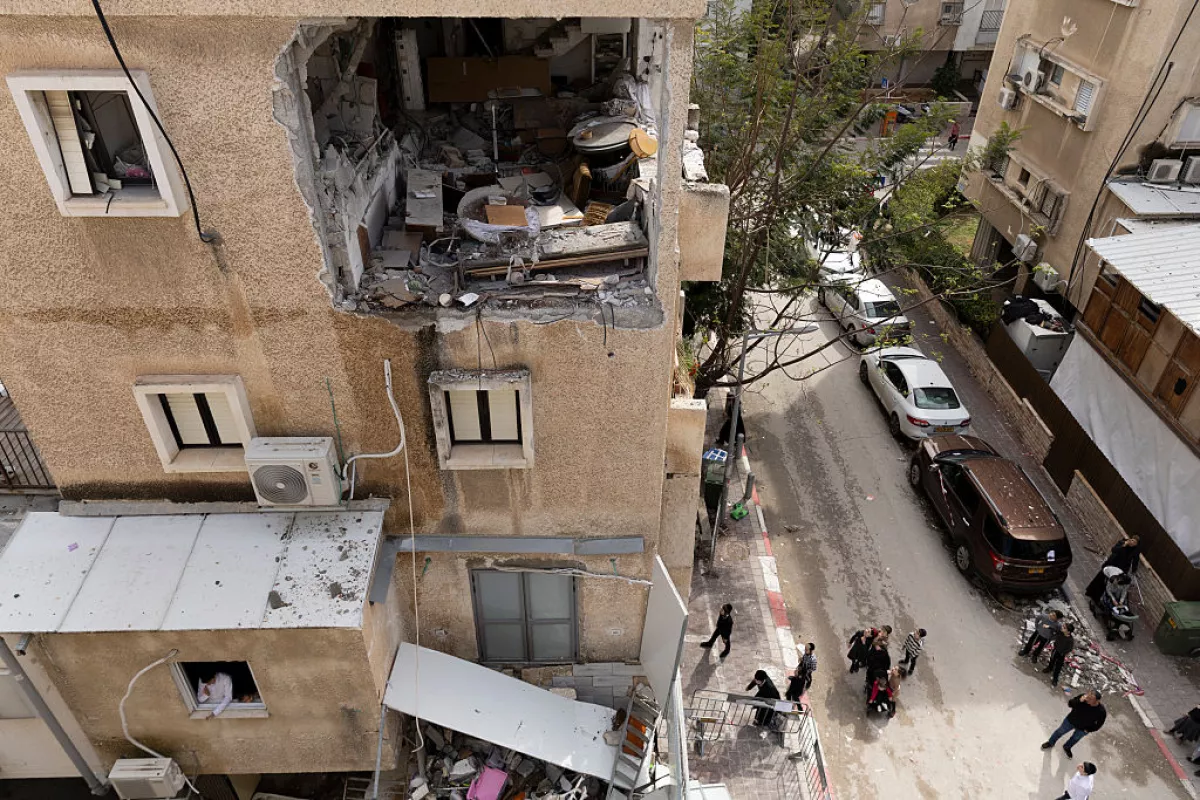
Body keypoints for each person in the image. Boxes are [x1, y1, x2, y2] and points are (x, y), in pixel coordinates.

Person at [1041, 690, 1107, 757]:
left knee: (1075, 739)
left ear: (1097, 701)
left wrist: (1088, 730)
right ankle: (1050, 742)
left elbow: (1099, 724)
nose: (1087, 699)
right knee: (1060, 731)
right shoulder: (1083, 698)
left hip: (1083, 729)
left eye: (1090, 699)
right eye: (1088, 696)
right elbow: (1070, 704)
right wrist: (1079, 701)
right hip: (1071, 721)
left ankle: (1067, 747)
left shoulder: (1101, 711)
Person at [1085, 536, 1140, 603]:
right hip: (1111, 564)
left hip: (1119, 569)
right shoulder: (1122, 542)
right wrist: (1123, 545)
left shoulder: (1135, 551)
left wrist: (1134, 570)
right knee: (1100, 578)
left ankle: (1099, 598)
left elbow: (1135, 561)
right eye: (1132, 540)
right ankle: (1091, 592)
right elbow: (1114, 550)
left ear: (1136, 544)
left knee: (1109, 583)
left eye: (1135, 542)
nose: (1132, 543)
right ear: (1130, 539)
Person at [1044, 622, 1076, 687]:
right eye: (1063, 626)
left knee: (1058, 666)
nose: (1062, 628)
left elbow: (1069, 649)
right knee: (1052, 660)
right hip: (1055, 650)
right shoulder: (1061, 632)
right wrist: (1049, 627)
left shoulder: (1070, 640)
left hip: (1061, 654)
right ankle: (1049, 668)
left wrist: (1062, 653)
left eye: (1064, 628)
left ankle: (1055, 679)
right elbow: (1055, 630)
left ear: (1068, 631)